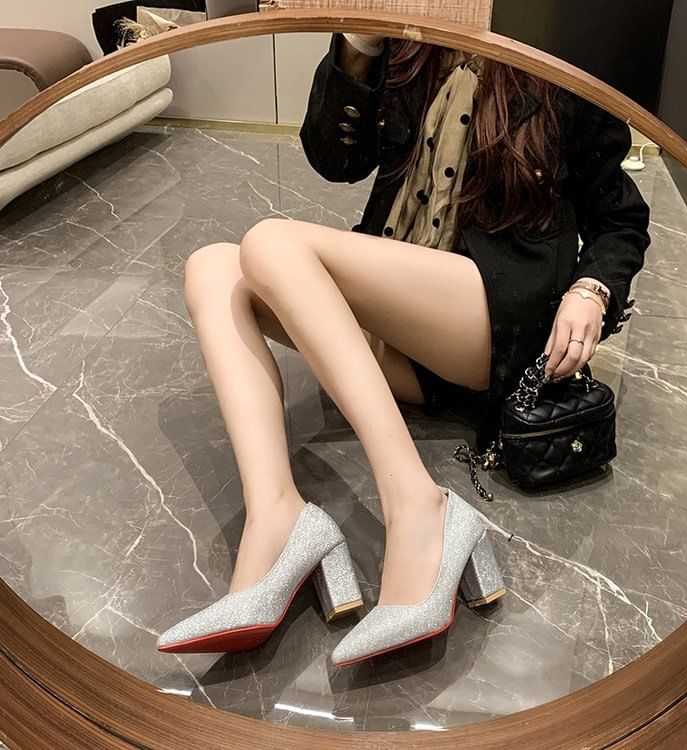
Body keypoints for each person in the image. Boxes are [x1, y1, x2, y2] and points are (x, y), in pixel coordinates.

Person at [156, 32, 650, 667]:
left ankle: (420, 508)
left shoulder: (554, 51)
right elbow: (333, 158)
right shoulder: (411, 38)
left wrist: (591, 289)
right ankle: (276, 517)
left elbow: (620, 218)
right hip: (403, 319)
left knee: (270, 244)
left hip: (493, 320)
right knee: (213, 268)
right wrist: (359, 45)